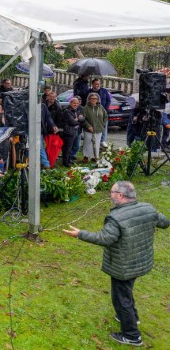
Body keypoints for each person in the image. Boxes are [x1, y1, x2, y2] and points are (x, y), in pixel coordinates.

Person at [63, 181, 169, 347]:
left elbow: (105, 238)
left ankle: (132, 335)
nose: (110, 194)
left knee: (120, 298)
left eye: (111, 192)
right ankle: (131, 317)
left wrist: (80, 234)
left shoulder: (116, 218)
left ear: (120, 195)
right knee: (126, 291)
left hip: (124, 265)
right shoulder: (148, 208)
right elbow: (164, 222)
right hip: (140, 261)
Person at [81, 92, 107, 163]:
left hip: (98, 129)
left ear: (98, 99)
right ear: (89, 99)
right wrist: (88, 126)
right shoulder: (86, 108)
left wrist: (103, 125)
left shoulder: (101, 107)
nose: (94, 100)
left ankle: (94, 157)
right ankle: (86, 157)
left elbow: (105, 117)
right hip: (88, 129)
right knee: (87, 143)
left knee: (97, 143)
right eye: (92, 98)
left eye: (95, 98)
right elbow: (83, 119)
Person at [60, 97, 85, 167]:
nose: (76, 104)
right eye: (74, 103)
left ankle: (69, 160)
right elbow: (72, 122)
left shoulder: (77, 110)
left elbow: (83, 120)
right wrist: (78, 120)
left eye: (77, 103)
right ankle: (65, 162)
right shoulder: (67, 111)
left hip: (75, 131)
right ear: (70, 103)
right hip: (68, 132)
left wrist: (78, 119)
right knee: (67, 148)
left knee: (72, 147)